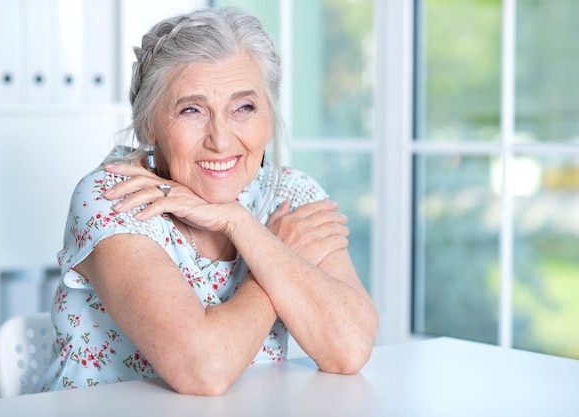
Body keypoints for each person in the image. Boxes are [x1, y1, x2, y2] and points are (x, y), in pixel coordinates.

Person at [36, 6, 378, 396]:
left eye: (244, 107)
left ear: (269, 114)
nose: (221, 139)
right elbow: (204, 370)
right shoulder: (114, 198)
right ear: (149, 123)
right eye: (192, 110)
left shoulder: (287, 195)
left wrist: (241, 225)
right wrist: (277, 254)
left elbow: (349, 349)